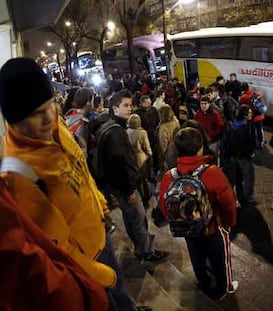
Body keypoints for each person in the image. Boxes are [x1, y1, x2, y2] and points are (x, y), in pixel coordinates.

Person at [0, 57, 148, 310]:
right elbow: (58, 248)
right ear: (14, 121)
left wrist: (100, 205)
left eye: (50, 106)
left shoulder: (55, 126)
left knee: (122, 297)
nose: (49, 117)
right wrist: (101, 274)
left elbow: (80, 169)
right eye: (37, 114)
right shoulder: (18, 175)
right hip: (88, 263)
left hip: (100, 235)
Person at [0, 177, 108, 311]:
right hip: (82, 269)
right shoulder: (19, 172)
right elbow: (26, 265)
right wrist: (93, 285)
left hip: (96, 241)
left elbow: (84, 178)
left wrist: (101, 204)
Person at [158, 127, 238, 300]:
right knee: (219, 259)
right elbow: (228, 203)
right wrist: (228, 223)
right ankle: (224, 288)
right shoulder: (212, 173)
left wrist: (181, 221)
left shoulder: (169, 177)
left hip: (187, 230)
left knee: (196, 257)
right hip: (211, 228)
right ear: (200, 147)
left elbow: (164, 207)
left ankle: (203, 283)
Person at [97, 89, 169, 263]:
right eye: (125, 105)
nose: (130, 109)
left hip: (117, 186)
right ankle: (146, 251)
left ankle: (140, 245)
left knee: (131, 217)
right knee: (138, 218)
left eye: (130, 105)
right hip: (125, 187)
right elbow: (119, 165)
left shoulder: (110, 126)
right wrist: (129, 189)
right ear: (115, 108)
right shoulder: (117, 133)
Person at [228, 105, 256, 205]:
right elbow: (246, 143)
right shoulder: (244, 127)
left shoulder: (234, 124)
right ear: (244, 115)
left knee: (238, 178)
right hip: (243, 157)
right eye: (249, 113)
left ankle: (239, 197)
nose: (251, 114)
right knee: (249, 177)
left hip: (234, 155)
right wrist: (250, 153)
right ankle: (248, 198)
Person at [126, 114, 153, 209]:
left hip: (132, 158)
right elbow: (146, 146)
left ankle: (140, 196)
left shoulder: (127, 132)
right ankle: (146, 198)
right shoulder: (142, 132)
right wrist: (150, 155)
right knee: (144, 179)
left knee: (136, 179)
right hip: (141, 157)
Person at [239, 82, 265, 149]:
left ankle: (254, 144)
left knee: (253, 131)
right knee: (260, 129)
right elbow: (261, 102)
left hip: (252, 117)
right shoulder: (255, 93)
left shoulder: (243, 97)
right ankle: (261, 142)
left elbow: (242, 107)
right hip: (260, 115)